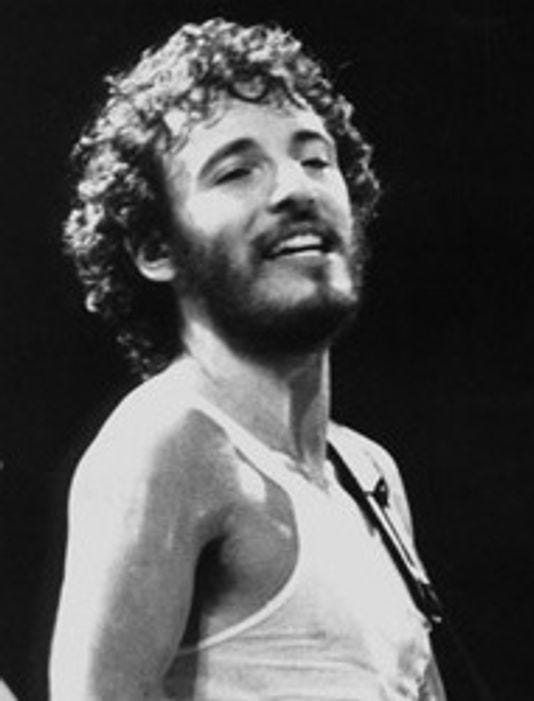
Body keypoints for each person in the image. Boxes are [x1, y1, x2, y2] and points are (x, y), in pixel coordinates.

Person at [50, 18, 446, 700]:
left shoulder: (369, 472)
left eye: (315, 159)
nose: (296, 188)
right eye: (236, 171)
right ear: (156, 248)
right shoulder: (168, 445)